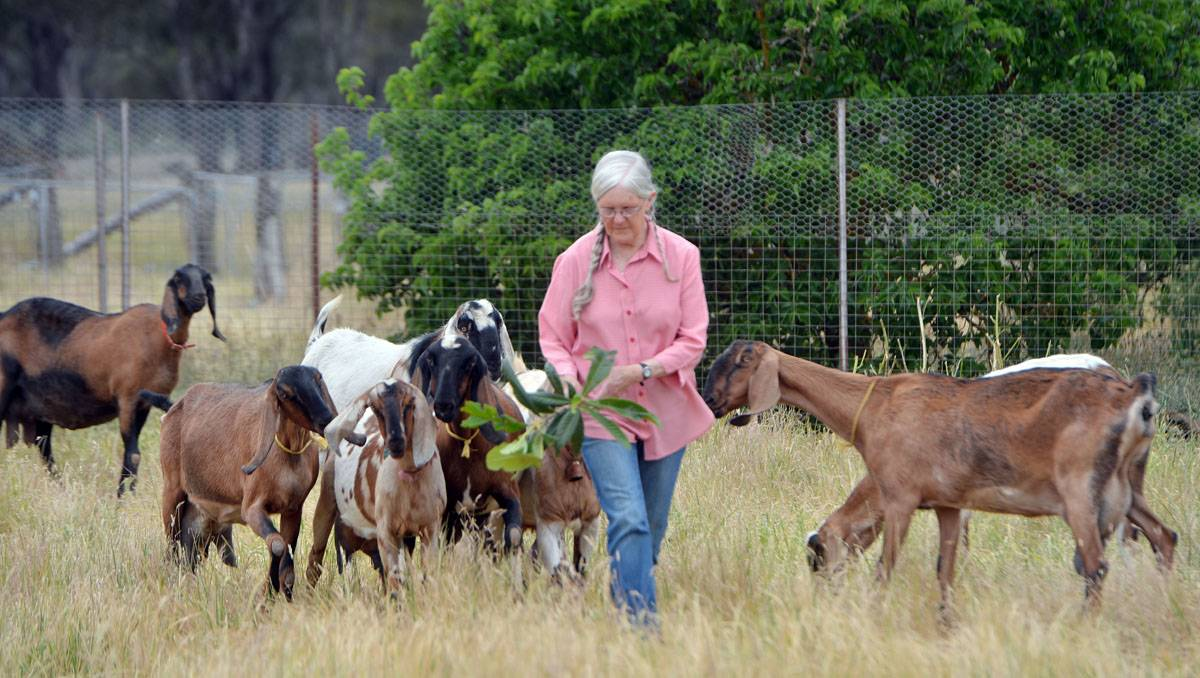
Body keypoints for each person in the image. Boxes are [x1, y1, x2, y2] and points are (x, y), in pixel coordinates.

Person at [538, 149, 714, 626]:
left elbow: (694, 338)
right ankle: (642, 629)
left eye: (627, 209)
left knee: (649, 532)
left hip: (665, 410)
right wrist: (571, 379)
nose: (617, 219)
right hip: (600, 414)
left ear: (649, 201)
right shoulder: (574, 262)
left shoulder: (682, 257)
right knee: (628, 520)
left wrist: (642, 370)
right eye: (608, 209)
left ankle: (624, 596)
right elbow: (553, 337)